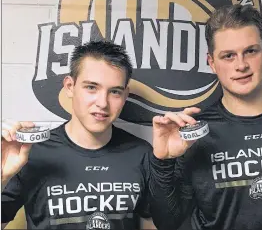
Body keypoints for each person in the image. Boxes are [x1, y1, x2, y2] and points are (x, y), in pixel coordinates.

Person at [149, 4, 262, 230]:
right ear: (212, 63)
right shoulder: (194, 131)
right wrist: (163, 161)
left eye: (251, 51)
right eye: (228, 56)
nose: (241, 65)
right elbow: (167, 223)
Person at [1, 40, 155, 229]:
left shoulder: (141, 153)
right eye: (91, 87)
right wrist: (1, 177)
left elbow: (149, 223)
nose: (102, 103)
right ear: (69, 87)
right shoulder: (30, 154)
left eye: (114, 91)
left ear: (125, 95)